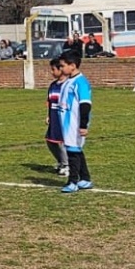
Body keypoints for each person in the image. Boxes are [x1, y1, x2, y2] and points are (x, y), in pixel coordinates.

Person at [58, 50, 93, 193]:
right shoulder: (69, 81)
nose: (61, 69)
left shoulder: (81, 82)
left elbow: (85, 104)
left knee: (72, 152)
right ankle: (85, 179)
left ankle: (73, 181)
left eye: (63, 66)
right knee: (76, 150)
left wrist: (83, 125)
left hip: (75, 123)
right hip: (67, 123)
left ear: (72, 65)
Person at [45, 57, 69, 177]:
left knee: (61, 142)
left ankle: (67, 165)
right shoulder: (53, 85)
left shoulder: (69, 85)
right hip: (54, 117)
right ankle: (61, 161)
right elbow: (49, 102)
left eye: (53, 69)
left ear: (61, 69)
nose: (51, 72)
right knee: (50, 141)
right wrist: (48, 115)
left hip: (64, 117)